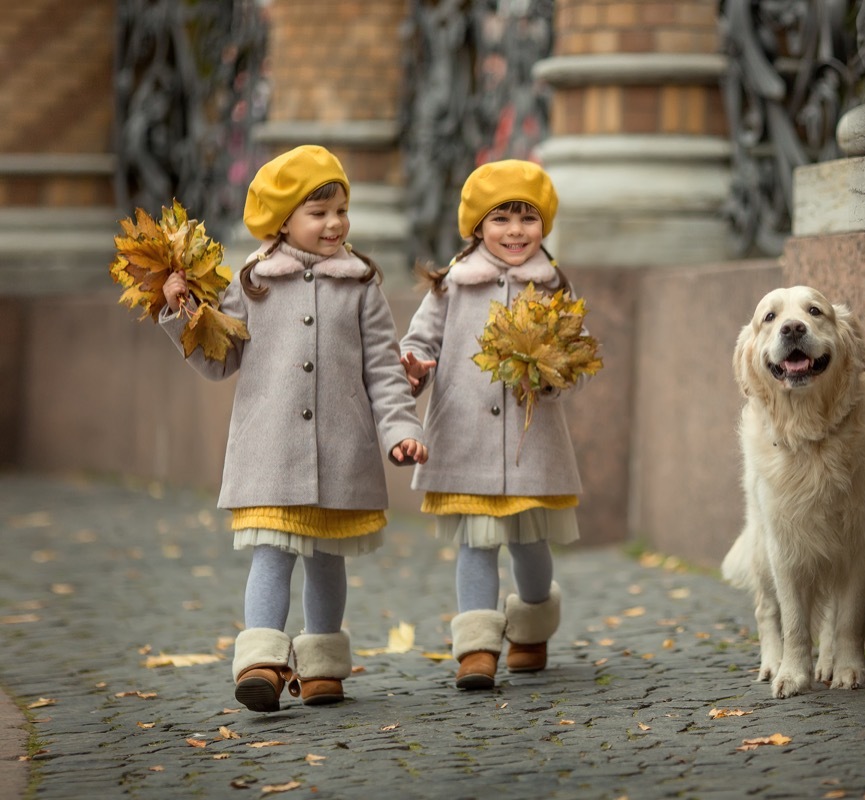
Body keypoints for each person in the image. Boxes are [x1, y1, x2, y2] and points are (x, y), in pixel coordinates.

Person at [159, 144, 428, 712]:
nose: (334, 224)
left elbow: (382, 367)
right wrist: (183, 313)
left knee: (327, 557)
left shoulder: (361, 286)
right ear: (282, 220)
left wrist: (400, 431)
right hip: (270, 450)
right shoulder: (252, 282)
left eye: (341, 210)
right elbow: (218, 361)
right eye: (318, 212)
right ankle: (260, 661)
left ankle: (324, 666)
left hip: (342, 450)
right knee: (272, 553)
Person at [399, 159, 588, 690]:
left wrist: (555, 375)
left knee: (531, 546)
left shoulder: (552, 287)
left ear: (543, 227)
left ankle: (530, 624)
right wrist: (412, 367)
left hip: (533, 443)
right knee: (476, 543)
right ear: (478, 226)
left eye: (527, 220)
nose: (515, 232)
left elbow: (577, 354)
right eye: (501, 219)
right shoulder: (451, 287)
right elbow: (420, 341)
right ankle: (477, 648)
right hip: (465, 438)